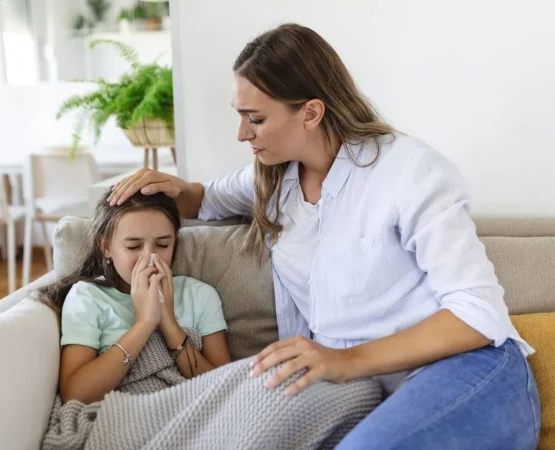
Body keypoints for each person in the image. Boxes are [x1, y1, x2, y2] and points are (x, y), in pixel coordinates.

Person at [106, 23, 541, 449]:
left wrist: (343, 361)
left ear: (311, 112)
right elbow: (204, 200)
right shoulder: (273, 179)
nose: (241, 133)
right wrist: (165, 187)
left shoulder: (410, 171)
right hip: (356, 386)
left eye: (255, 118)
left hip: (458, 369)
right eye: (240, 116)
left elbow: (477, 314)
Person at [38, 190, 231, 405]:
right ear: (106, 246)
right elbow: (75, 395)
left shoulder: (200, 295)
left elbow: (227, 387)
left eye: (163, 245)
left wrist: (168, 322)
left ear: (175, 239)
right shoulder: (87, 297)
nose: (149, 258)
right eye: (134, 246)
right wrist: (144, 323)